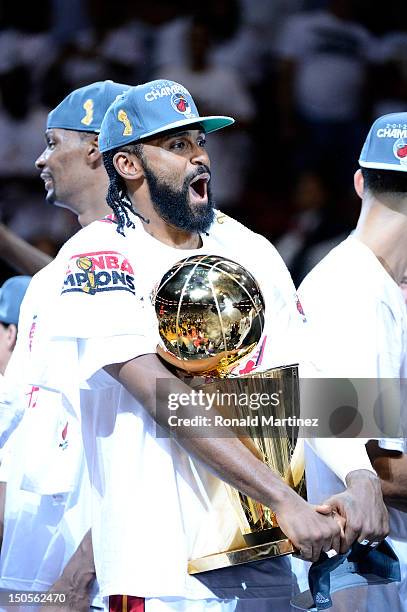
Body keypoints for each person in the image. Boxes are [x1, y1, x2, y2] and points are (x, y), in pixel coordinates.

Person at [31, 79, 386, 611]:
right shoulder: (98, 256)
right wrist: (284, 499)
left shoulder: (248, 246)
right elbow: (158, 392)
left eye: (201, 142)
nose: (201, 158)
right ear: (127, 165)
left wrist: (360, 472)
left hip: (267, 555)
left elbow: (307, 368)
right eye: (177, 146)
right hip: (162, 572)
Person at [0, 80, 129, 612]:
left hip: (101, 555)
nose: (39, 159)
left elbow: (163, 427)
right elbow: (22, 413)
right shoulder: (63, 270)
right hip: (33, 543)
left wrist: (83, 569)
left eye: (53, 143)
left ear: (98, 150)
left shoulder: (154, 257)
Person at [298, 112, 407, 609]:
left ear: (360, 181)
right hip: (366, 584)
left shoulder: (369, 285)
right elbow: (372, 464)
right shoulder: (352, 291)